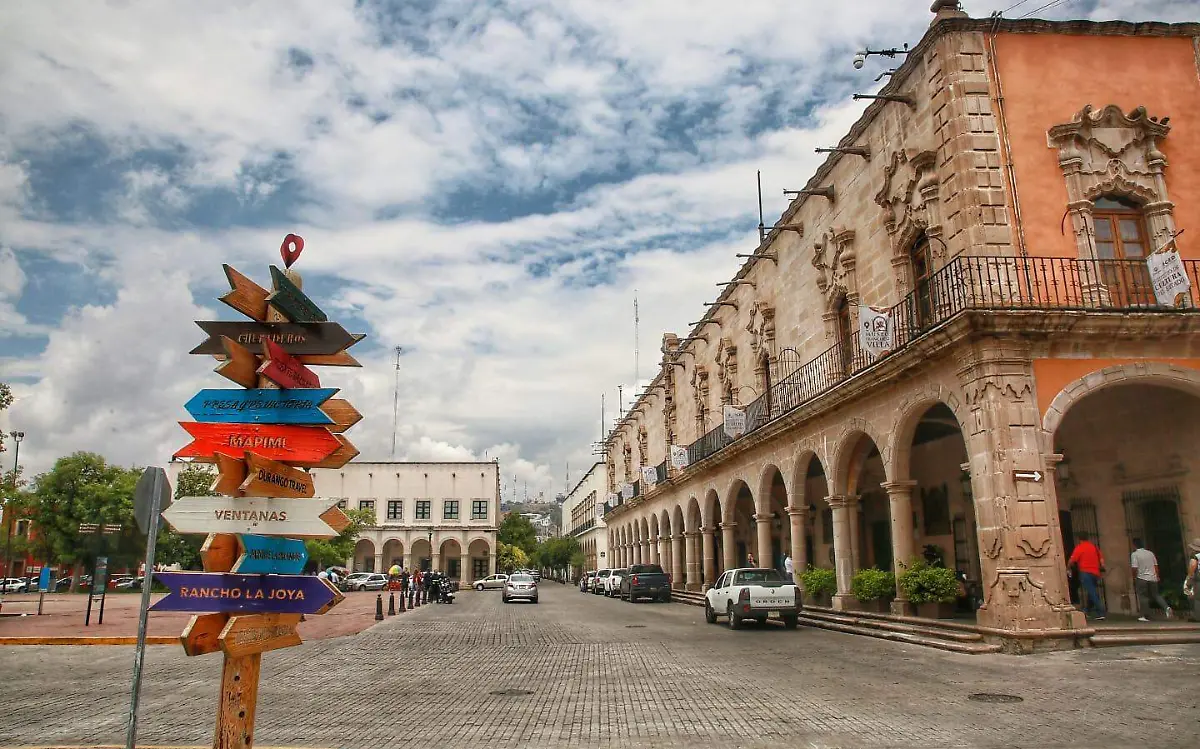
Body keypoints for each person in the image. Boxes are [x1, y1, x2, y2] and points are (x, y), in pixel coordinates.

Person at [1130, 538, 1171, 622]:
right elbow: (1155, 565)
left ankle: (1143, 615)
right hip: (1153, 578)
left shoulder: (1135, 554)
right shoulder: (1150, 553)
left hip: (1142, 578)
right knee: (1156, 595)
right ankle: (1166, 607)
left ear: (1134, 545)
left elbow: (1134, 567)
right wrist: (1157, 576)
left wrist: (1134, 576)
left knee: (1143, 596)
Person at [1067, 533, 1106, 620]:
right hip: (1096, 573)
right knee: (1091, 591)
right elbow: (1101, 559)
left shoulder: (1080, 548)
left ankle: (1101, 612)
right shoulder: (1094, 547)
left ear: (1079, 539)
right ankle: (1086, 610)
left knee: (1092, 592)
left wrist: (1068, 568)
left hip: (1085, 572)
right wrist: (1102, 567)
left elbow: (1072, 560)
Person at [1186, 538, 1200, 623]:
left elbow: (1192, 569)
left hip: (1198, 580)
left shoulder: (1195, 557)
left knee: (1197, 599)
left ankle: (1197, 617)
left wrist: (1189, 581)